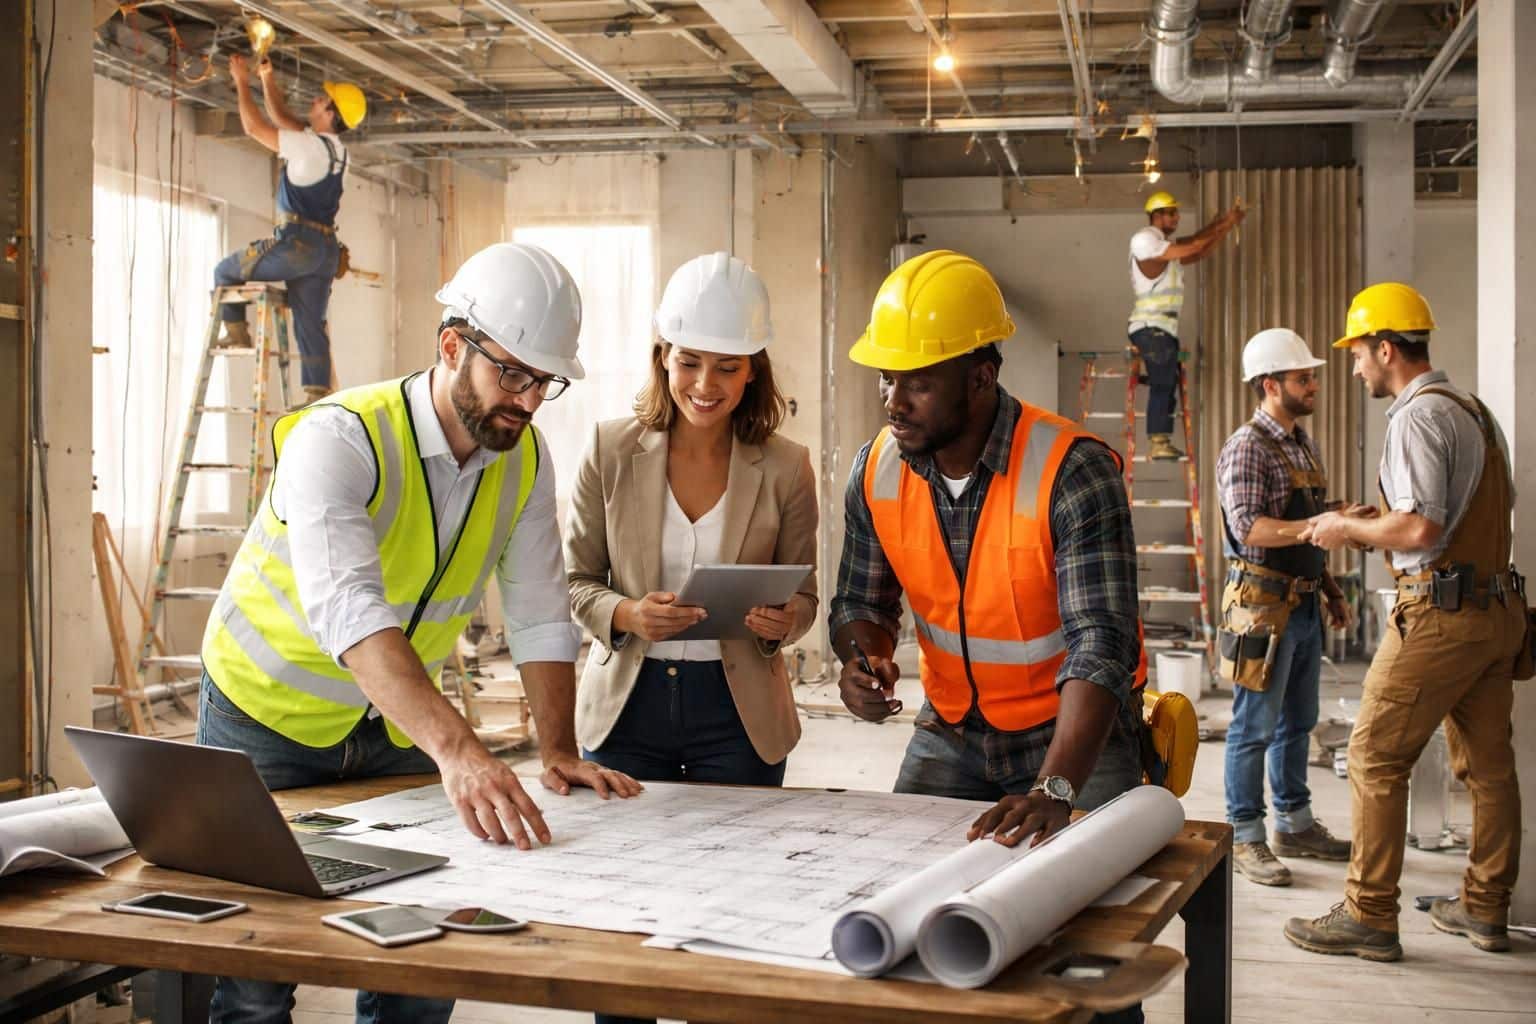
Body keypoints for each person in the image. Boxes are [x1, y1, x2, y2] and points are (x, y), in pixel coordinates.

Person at [197, 242, 642, 1024]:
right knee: (260, 969)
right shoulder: (340, 438)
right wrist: (461, 750)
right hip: (262, 723)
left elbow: (539, 610)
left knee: (424, 948)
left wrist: (559, 749)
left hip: (392, 724)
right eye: (513, 373)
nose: (531, 401)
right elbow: (352, 613)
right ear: (451, 346)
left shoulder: (524, 458)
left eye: (545, 381)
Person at [565, 252, 817, 1024]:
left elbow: (804, 596)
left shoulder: (786, 466)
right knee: (624, 920)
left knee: (731, 917)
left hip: (734, 712)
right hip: (628, 707)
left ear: (753, 373)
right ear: (663, 357)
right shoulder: (610, 449)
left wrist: (784, 624)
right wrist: (627, 615)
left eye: (727, 367)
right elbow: (573, 583)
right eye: (690, 362)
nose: (705, 384)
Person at [830, 248, 1148, 848]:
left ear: (981, 376)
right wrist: (861, 660)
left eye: (918, 382)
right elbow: (859, 602)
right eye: (887, 377)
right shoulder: (875, 469)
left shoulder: (1072, 470)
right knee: (898, 877)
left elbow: (1103, 643)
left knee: (1086, 900)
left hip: (1073, 733)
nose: (894, 402)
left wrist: (1055, 789)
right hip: (951, 730)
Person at [1285, 282, 1528, 961]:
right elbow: (1450, 518)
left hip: (1442, 617)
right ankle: (1485, 909)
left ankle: (1369, 914)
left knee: (1373, 755)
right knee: (1489, 770)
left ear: (1386, 348)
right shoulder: (1472, 410)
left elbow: (1421, 526)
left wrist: (1341, 527)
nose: (1355, 367)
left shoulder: (1416, 416)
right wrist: (1374, 524)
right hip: (1495, 613)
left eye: (1359, 352)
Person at [1215, 328, 1354, 888]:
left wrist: (1331, 586)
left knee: (1298, 722)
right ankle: (1245, 834)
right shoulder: (1247, 447)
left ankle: (1293, 825)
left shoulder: (1299, 442)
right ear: (1271, 385)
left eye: (1312, 376)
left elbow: (1306, 524)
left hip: (1301, 605)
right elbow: (1249, 526)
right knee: (1254, 726)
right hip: (1261, 607)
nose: (1314, 384)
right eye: (1304, 378)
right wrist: (1320, 526)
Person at [213, 53, 367, 405]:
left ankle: (236, 332)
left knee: (224, 271)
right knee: (310, 323)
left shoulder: (309, 148)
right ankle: (316, 393)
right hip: (325, 252)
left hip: (298, 244)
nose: (315, 99)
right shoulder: (337, 151)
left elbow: (255, 128)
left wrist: (240, 80)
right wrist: (266, 78)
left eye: (322, 100)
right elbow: (285, 120)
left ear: (331, 113)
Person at [1128, 191, 1244, 460]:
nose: (1177, 217)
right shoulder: (1145, 240)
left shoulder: (1162, 246)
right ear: (1156, 215)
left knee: (1166, 382)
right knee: (1162, 383)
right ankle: (1158, 441)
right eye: (1171, 212)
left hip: (1162, 328)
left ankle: (1160, 439)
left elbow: (1198, 247)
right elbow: (1192, 248)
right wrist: (1226, 223)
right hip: (1150, 327)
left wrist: (1223, 224)